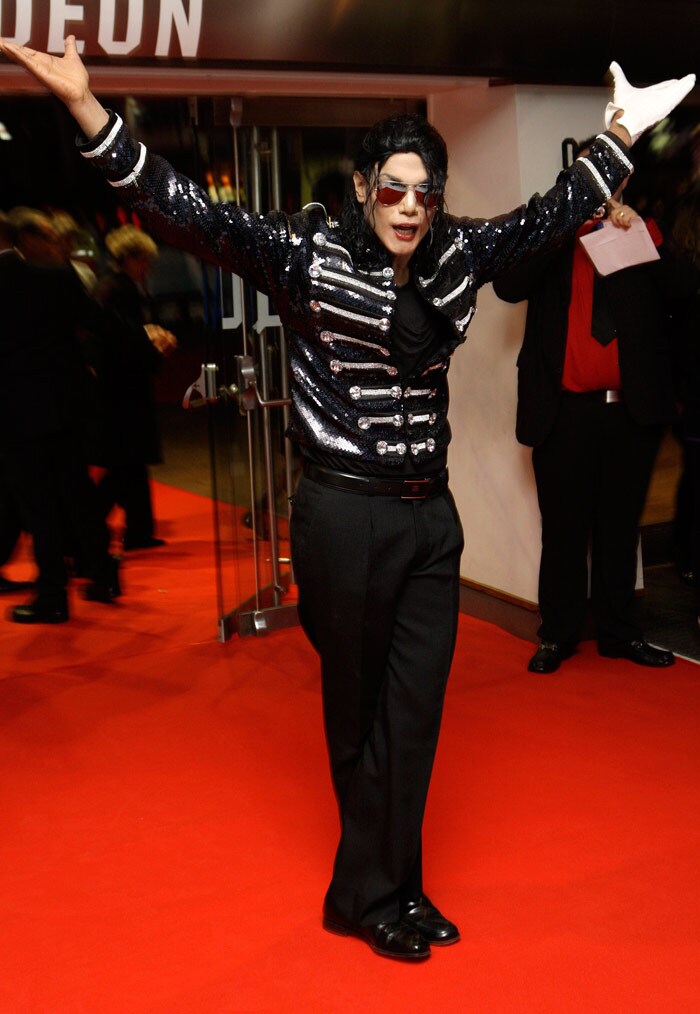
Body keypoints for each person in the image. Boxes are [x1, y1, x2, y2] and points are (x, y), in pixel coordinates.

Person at [2, 35, 692, 958]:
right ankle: (374, 894)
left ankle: (385, 888)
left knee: (415, 714)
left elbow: (549, 214)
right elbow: (180, 209)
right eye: (395, 188)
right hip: (343, 515)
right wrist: (89, 109)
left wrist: (618, 134)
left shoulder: (456, 253)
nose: (410, 207)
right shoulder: (303, 250)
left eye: (425, 192)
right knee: (360, 714)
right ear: (366, 185)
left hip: (428, 519)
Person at [493, 149, 679, 674]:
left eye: (609, 189)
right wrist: (560, 228)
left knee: (621, 530)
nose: (601, 200)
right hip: (564, 414)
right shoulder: (551, 241)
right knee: (564, 532)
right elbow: (507, 286)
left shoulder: (639, 237)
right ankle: (558, 635)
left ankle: (622, 633)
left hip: (630, 415)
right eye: (589, 189)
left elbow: (683, 292)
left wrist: (642, 231)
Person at [0, 204, 121, 623]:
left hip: (15, 412)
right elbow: (94, 323)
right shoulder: (56, 275)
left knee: (39, 506)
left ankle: (52, 594)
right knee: (76, 493)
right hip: (65, 404)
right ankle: (103, 574)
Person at [91, 224, 177, 551]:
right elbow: (124, 342)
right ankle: (94, 528)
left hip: (117, 391)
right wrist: (154, 346)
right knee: (125, 466)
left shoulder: (112, 286)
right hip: (123, 393)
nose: (149, 268)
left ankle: (137, 530)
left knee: (128, 466)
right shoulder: (119, 289)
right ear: (130, 257)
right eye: (145, 260)